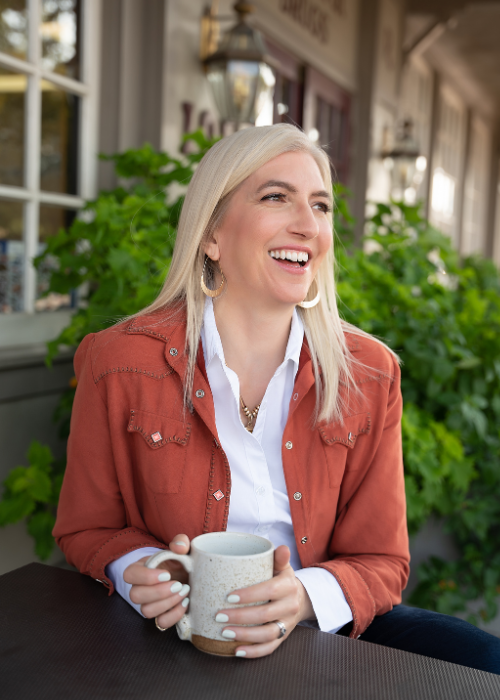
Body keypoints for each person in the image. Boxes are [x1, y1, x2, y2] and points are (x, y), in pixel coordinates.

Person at [53, 124, 500, 672]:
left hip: (320, 636)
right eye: (276, 197)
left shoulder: (368, 373)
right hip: (172, 638)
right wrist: (141, 570)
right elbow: (87, 527)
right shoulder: (119, 361)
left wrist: (306, 596)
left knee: (482, 661)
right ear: (212, 234)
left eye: (320, 206)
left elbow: (382, 561)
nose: (308, 225)